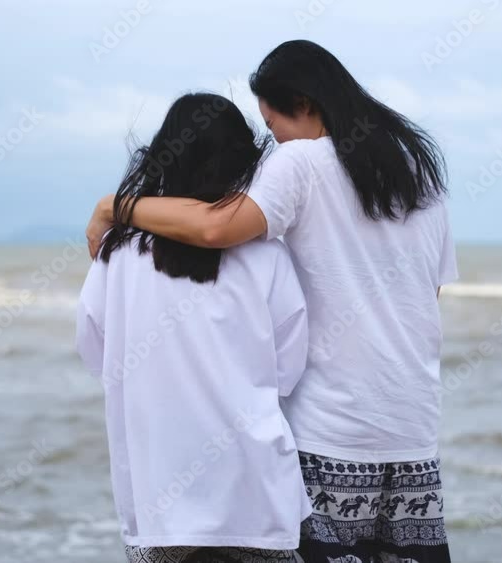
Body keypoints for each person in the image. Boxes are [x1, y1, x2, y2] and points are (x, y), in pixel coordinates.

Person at [86, 41, 458, 563]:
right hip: (412, 429)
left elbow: (215, 228)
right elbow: (428, 295)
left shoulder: (302, 161)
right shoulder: (417, 170)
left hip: (330, 430)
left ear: (303, 104)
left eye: (272, 122)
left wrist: (115, 206)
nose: (273, 140)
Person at [76, 92, 312, 563]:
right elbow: (288, 370)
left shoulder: (117, 253)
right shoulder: (268, 254)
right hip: (256, 495)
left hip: (158, 498)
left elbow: (95, 351)